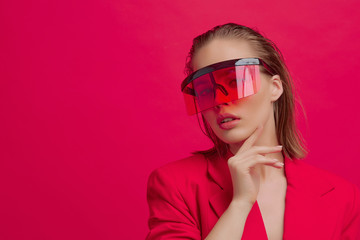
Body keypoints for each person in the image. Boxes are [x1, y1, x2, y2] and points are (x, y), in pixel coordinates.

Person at [145, 23, 360, 240]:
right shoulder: (174, 184)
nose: (220, 102)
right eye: (206, 90)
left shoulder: (344, 197)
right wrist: (239, 205)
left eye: (236, 81)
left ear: (275, 87)